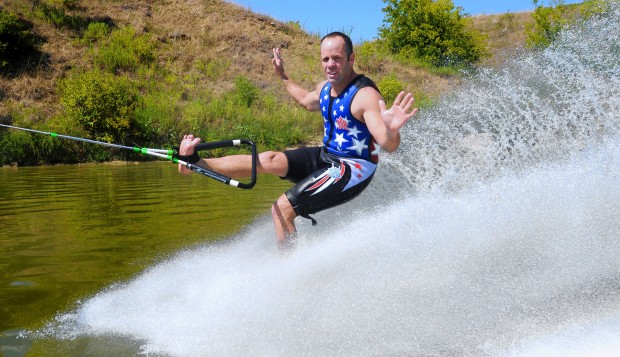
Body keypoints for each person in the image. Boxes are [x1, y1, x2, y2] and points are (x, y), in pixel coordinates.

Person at [179, 31, 418, 250]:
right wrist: (282, 75)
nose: (330, 65)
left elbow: (389, 145)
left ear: (351, 58)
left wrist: (392, 130)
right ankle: (195, 162)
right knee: (269, 159)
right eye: (325, 59)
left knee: (281, 208)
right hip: (328, 156)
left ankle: (289, 277)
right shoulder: (326, 88)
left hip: (351, 168)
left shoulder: (365, 96)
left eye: (336, 58)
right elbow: (305, 99)